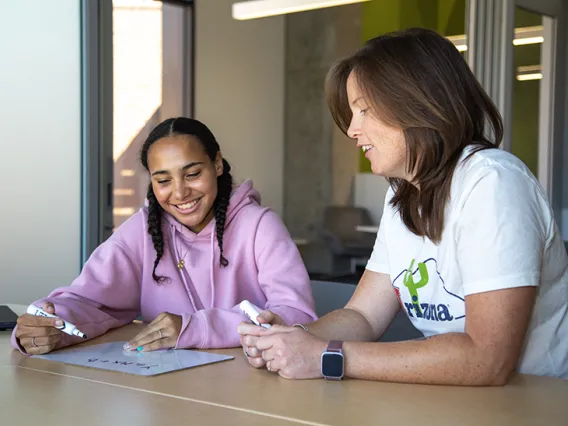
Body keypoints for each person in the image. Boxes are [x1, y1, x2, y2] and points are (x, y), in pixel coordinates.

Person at [239, 27, 568, 385]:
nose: (351, 130)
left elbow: (486, 359)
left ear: (417, 101)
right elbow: (362, 316)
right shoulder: (404, 194)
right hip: (459, 403)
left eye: (363, 110)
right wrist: (294, 336)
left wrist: (327, 356)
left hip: (536, 403)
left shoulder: (493, 183)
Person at [13, 117, 317, 355]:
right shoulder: (143, 229)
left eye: (193, 174)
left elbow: (296, 313)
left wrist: (194, 328)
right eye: (163, 180)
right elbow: (90, 300)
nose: (180, 192)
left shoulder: (259, 225)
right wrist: (48, 325)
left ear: (217, 164)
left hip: (251, 385)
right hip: (166, 389)